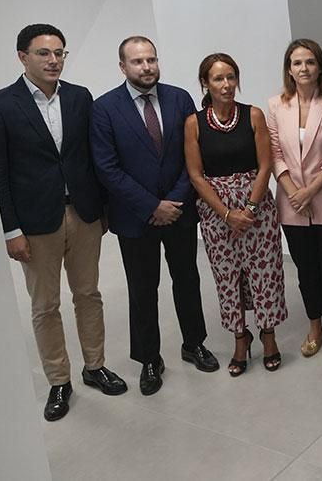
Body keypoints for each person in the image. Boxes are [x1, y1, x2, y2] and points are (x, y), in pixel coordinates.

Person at [0, 23, 127, 422]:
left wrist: (105, 210)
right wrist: (11, 230)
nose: (54, 60)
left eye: (60, 52)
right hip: (35, 222)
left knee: (89, 294)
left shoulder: (80, 98)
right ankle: (59, 381)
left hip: (83, 213)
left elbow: (95, 158)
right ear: (22, 57)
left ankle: (94, 367)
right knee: (45, 305)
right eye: (44, 53)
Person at [90, 36, 218, 396]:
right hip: (135, 218)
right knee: (143, 290)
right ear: (122, 67)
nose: (146, 67)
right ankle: (149, 359)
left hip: (179, 211)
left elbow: (192, 156)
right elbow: (107, 168)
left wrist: (174, 200)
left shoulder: (180, 99)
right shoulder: (104, 109)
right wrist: (151, 206)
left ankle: (194, 344)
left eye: (151, 60)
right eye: (137, 62)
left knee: (187, 280)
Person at [184, 53, 287, 376]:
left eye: (231, 77)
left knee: (265, 273)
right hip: (217, 213)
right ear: (206, 83)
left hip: (257, 208)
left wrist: (251, 209)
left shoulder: (253, 115)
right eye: (218, 78)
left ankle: (269, 336)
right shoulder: (194, 123)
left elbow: (266, 164)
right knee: (228, 277)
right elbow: (196, 175)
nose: (227, 85)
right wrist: (227, 214)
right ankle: (240, 338)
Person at [265, 39, 322, 366]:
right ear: (289, 68)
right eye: (297, 63)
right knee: (306, 271)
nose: (303, 68)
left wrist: (310, 190)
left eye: (309, 62)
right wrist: (291, 191)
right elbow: (274, 152)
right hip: (292, 206)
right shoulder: (276, 105)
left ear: (320, 66)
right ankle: (315, 327)